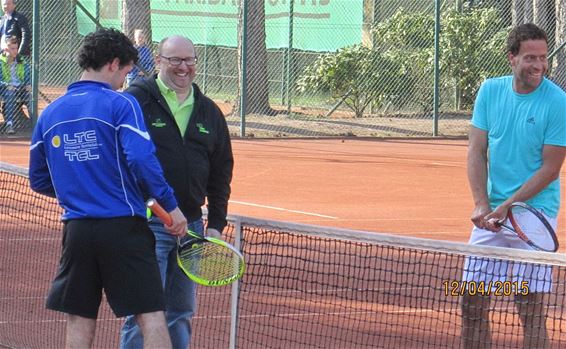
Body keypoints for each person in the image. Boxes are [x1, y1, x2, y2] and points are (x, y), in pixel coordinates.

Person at [28, 28, 188, 348]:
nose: (125, 81)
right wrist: (171, 207)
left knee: (79, 316)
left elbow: (40, 180)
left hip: (77, 231)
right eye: (126, 72)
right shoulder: (122, 104)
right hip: (123, 228)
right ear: (114, 64)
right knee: (151, 314)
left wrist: (81, 190)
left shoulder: (51, 114)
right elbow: (142, 159)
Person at [120, 35, 234, 349]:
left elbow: (221, 169)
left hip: (192, 229)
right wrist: (155, 207)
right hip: (148, 223)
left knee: (181, 311)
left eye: (189, 60)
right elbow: (122, 160)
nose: (183, 67)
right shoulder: (136, 100)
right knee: (142, 311)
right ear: (158, 61)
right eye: (175, 60)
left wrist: (216, 224)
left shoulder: (209, 111)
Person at [462, 23, 566, 349]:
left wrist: (509, 206)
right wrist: (482, 204)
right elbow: (476, 150)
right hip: (492, 215)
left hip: (534, 214)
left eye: (543, 57)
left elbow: (551, 168)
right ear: (512, 58)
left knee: (528, 305)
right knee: (472, 301)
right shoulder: (490, 92)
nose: (538, 65)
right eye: (530, 58)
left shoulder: (558, 102)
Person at [0, 36, 29, 134]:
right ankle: (9, 124)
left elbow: (28, 75)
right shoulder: (0, 61)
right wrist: (6, 84)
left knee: (29, 95)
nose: (15, 51)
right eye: (12, 48)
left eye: (16, 48)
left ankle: (35, 124)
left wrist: (28, 84)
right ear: (6, 48)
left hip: (20, 88)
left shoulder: (21, 60)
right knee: (10, 94)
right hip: (5, 88)